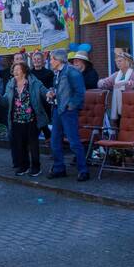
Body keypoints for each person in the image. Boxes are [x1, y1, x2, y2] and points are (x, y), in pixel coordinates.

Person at [46, 49, 89, 181]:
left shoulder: (72, 71)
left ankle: (83, 170)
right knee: (54, 141)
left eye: (52, 59)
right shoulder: (57, 73)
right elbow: (60, 89)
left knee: (73, 141)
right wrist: (52, 92)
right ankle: (59, 168)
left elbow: (80, 92)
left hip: (67, 111)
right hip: (58, 110)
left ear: (58, 60)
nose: (50, 62)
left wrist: (71, 106)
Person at [0, 61, 48, 176]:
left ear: (24, 71)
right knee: (20, 145)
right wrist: (0, 99)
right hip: (16, 120)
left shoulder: (34, 82)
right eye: (14, 70)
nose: (15, 72)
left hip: (32, 119)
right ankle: (23, 166)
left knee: (33, 144)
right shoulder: (11, 84)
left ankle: (36, 167)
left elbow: (44, 92)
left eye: (18, 69)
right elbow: (6, 100)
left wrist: (49, 94)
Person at [98, 50, 134, 132]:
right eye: (117, 61)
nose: (118, 63)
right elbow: (104, 83)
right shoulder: (117, 74)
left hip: (131, 105)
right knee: (119, 124)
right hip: (119, 106)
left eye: (120, 61)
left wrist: (129, 84)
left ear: (127, 61)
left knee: (130, 125)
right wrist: (102, 83)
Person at [30, 50, 54, 140]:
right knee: (39, 124)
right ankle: (49, 140)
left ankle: (35, 144)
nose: (36, 61)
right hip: (33, 102)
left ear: (43, 60)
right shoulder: (29, 73)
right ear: (32, 61)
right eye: (34, 59)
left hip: (44, 102)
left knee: (41, 123)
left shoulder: (49, 73)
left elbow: (50, 87)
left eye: (39, 59)